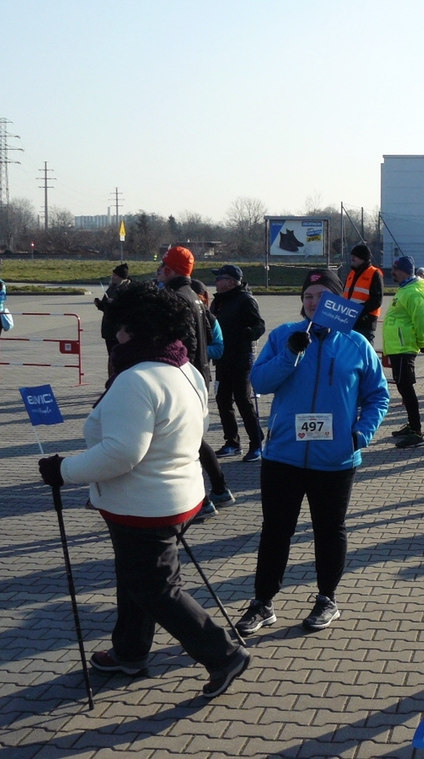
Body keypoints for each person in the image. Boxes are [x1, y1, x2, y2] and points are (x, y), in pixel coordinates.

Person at [37, 281, 250, 698]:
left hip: (144, 504)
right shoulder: (184, 367)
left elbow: (120, 454)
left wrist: (62, 470)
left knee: (156, 587)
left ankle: (223, 654)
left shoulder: (136, 379)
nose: (114, 334)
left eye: (119, 326)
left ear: (133, 329)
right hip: (177, 495)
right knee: (136, 578)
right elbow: (194, 430)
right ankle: (130, 651)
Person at [239, 269, 390, 635]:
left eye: (322, 296)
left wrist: (360, 435)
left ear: (336, 302)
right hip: (284, 456)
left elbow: (378, 396)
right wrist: (290, 354)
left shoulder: (356, 344)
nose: (313, 302)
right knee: (275, 531)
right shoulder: (283, 336)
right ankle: (262, 602)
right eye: (308, 296)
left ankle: (327, 599)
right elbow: (259, 382)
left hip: (335, 458)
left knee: (329, 530)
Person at [158, 246, 234, 516]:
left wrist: (178, 373)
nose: (158, 271)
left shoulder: (176, 298)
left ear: (170, 270)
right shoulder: (194, 297)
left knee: (183, 441)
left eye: (162, 266)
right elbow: (209, 337)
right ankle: (219, 489)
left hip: (185, 376)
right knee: (192, 437)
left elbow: (187, 343)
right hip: (199, 374)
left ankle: (202, 500)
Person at [209, 264, 266, 462]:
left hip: (241, 358)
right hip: (222, 358)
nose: (216, 282)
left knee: (243, 400)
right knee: (223, 400)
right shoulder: (218, 301)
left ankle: (256, 443)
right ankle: (232, 442)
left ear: (232, 282)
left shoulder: (245, 300)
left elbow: (259, 325)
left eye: (220, 278)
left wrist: (247, 333)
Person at [382, 256, 424, 449]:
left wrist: (422, 341)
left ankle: (417, 432)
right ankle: (412, 425)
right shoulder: (404, 289)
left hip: (404, 348)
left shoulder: (413, 292)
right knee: (403, 389)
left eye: (394, 269)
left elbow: (421, 320)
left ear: (402, 271)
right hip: (397, 347)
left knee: (406, 389)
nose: (392, 272)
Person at [343, 243, 384, 345]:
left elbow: (377, 301)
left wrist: (357, 310)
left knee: (363, 351)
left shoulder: (374, 273)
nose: (352, 259)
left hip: (365, 323)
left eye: (354, 256)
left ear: (362, 258)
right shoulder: (351, 274)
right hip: (349, 321)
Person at [93, 262, 130, 358]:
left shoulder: (127, 290)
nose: (113, 277)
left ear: (121, 277)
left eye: (115, 275)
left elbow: (127, 308)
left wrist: (114, 303)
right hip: (109, 330)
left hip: (119, 330)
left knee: (120, 356)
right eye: (113, 275)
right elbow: (105, 308)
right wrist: (100, 304)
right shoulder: (111, 289)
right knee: (111, 356)